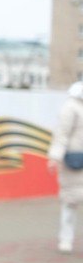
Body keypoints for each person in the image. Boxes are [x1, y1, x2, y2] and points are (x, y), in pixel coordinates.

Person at [48, 81, 83, 253]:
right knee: (70, 201)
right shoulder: (70, 107)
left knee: (71, 201)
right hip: (73, 162)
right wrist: (55, 157)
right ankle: (65, 239)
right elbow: (61, 134)